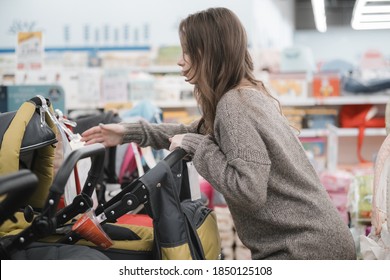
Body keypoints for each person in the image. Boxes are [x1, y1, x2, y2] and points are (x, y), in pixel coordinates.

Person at [81, 7, 356, 260]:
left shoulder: (234, 105)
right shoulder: (245, 95)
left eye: (187, 51)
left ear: (208, 52)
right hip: (314, 241)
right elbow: (188, 131)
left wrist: (196, 146)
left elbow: (248, 190)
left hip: (304, 250)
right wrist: (127, 133)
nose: (180, 61)